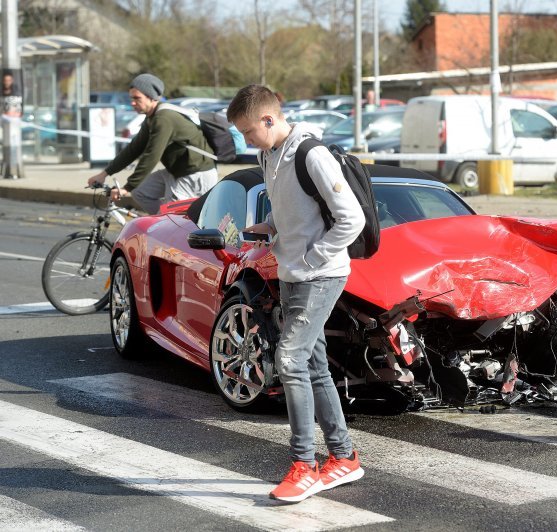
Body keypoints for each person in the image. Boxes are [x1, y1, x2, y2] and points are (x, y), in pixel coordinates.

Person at [226, 84, 365, 503]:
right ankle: (344, 458)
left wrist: (311, 258)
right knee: (314, 364)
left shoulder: (311, 155)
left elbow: (351, 219)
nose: (246, 141)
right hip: (293, 273)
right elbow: (295, 208)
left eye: (249, 131)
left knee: (289, 360)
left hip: (319, 275)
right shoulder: (268, 154)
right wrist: (270, 227)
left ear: (270, 119)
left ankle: (304, 465)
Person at [87, 74, 218, 214]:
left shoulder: (164, 118)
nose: (132, 102)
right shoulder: (152, 118)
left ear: (151, 97)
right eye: (131, 98)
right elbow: (133, 150)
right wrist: (105, 173)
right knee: (140, 192)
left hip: (195, 174)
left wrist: (127, 187)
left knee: (172, 219)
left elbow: (152, 155)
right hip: (176, 171)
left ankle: (173, 226)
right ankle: (163, 224)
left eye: (137, 98)